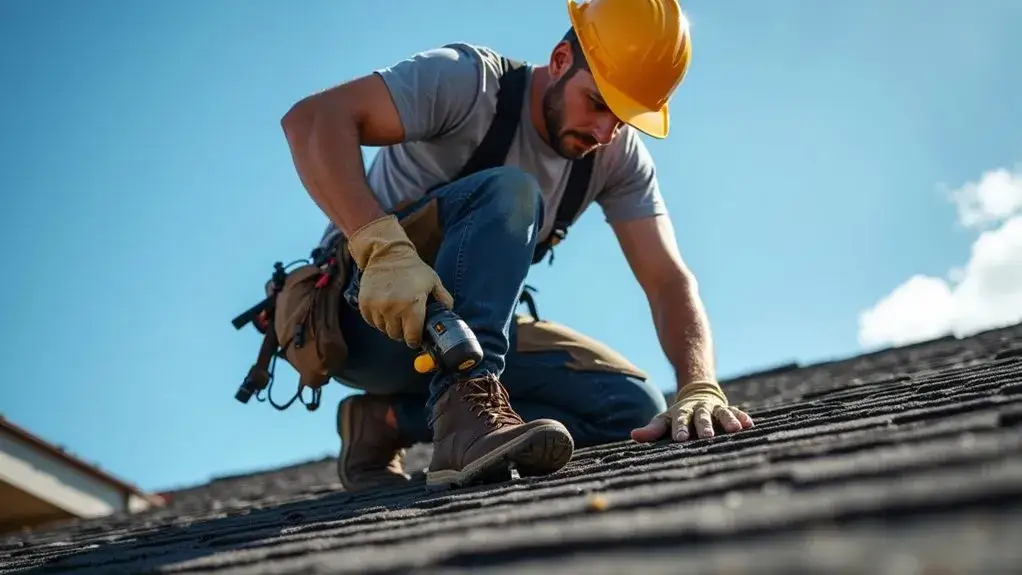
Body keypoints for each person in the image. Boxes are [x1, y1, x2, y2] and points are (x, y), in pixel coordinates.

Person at [278, 0, 755, 492]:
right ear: (561, 61)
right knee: (512, 190)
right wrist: (379, 249)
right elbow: (312, 119)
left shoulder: (615, 158)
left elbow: (667, 279)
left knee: (634, 411)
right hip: (364, 318)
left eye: (623, 118)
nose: (604, 132)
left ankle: (389, 423)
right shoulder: (470, 83)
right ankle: (465, 416)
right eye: (597, 103)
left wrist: (698, 383)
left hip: (464, 332)